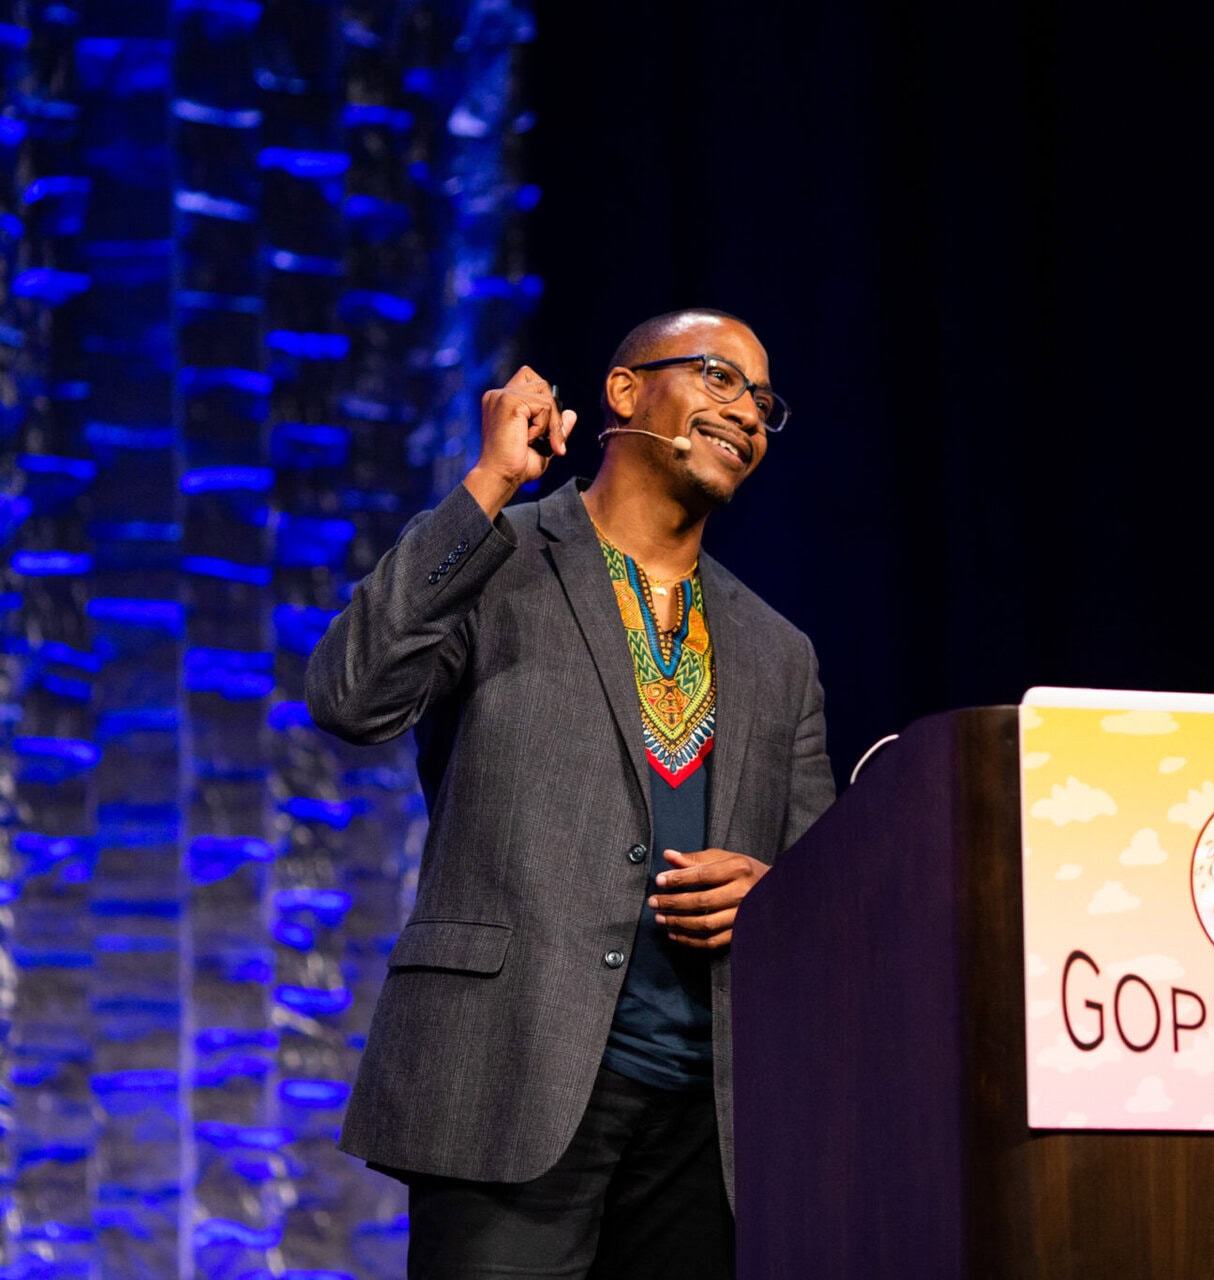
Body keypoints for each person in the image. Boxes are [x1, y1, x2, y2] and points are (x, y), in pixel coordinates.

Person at [306, 308, 835, 1278]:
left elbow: (817, 885)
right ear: (625, 391)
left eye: (764, 402)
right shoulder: (498, 558)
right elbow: (350, 693)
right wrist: (488, 483)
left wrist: (772, 895)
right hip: (507, 1078)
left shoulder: (779, 651)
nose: (746, 413)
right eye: (719, 378)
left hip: (703, 1129)